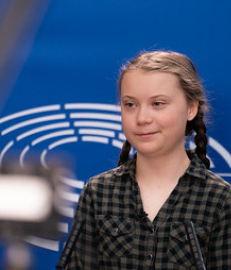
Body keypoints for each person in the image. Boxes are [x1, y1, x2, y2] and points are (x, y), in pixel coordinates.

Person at [57, 51, 231, 269]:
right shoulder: (97, 192)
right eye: (130, 104)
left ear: (191, 108)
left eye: (157, 103)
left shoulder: (220, 199)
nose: (142, 118)